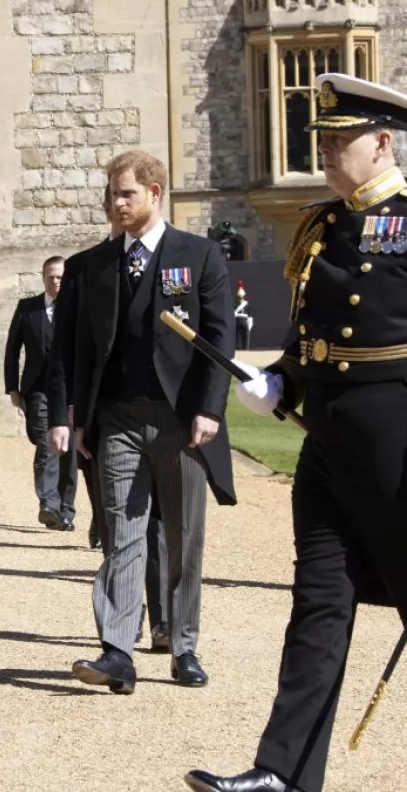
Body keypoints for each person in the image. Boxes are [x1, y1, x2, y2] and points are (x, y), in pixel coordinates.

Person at [186, 73, 407, 792]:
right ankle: (285, 772)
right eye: (324, 140)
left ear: (382, 143)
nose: (328, 152)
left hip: (395, 432)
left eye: (343, 140)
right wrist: (281, 379)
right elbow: (315, 332)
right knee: (318, 601)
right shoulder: (321, 224)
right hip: (328, 435)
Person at [61, 149, 235, 695]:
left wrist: (209, 408)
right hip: (116, 418)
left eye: (126, 194)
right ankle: (117, 650)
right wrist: (78, 417)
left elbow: (219, 337)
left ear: (154, 194)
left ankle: (183, 646)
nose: (116, 203)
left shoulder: (199, 255)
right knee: (122, 534)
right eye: (112, 194)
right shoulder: (92, 266)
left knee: (183, 537)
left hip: (181, 421)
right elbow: (77, 351)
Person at [48, 193, 172, 651]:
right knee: (117, 524)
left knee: (158, 522)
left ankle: (164, 621)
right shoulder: (86, 268)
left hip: (162, 416)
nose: (122, 210)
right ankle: (125, 620)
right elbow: (64, 351)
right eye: (114, 202)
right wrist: (63, 416)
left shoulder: (170, 257)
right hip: (103, 417)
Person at [6, 256, 77, 532]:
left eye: (60, 277)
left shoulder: (76, 307)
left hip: (70, 391)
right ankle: (48, 503)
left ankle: (66, 510)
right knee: (47, 442)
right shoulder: (28, 308)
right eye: (51, 276)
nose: (55, 281)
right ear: (43, 277)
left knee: (69, 450)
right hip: (38, 389)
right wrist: (12, 387)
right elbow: (12, 350)